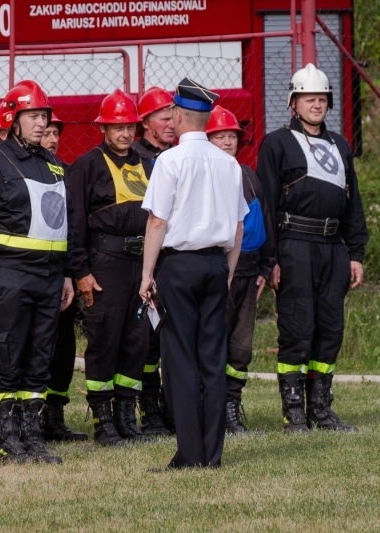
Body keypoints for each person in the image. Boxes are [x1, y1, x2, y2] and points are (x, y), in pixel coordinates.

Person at [0, 79, 74, 464]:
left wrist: (68, 275)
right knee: (5, 356)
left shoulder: (55, 164)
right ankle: (8, 442)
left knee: (39, 359)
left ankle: (32, 438)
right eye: (33, 116)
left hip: (49, 277)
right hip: (7, 274)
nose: (42, 124)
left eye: (44, 116)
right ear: (12, 119)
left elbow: (64, 225)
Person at [140, 78, 248, 469]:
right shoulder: (229, 163)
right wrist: (228, 272)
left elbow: (157, 222)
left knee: (180, 359)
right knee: (212, 360)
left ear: (179, 115)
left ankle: (189, 455)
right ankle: (212, 455)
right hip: (215, 265)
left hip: (179, 266)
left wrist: (146, 274)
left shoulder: (170, 160)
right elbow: (238, 228)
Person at [256, 63, 368, 433]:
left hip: (333, 247)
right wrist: (269, 259)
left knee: (330, 328)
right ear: (294, 103)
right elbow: (267, 203)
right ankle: (295, 414)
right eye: (308, 99)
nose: (316, 105)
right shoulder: (277, 143)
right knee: (297, 328)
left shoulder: (340, 144)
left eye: (322, 99)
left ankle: (322, 410)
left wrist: (355, 253)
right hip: (294, 245)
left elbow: (353, 203)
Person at [67, 89, 152, 446]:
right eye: (117, 126)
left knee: (137, 339)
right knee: (104, 340)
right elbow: (74, 223)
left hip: (140, 262)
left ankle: (126, 415)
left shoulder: (147, 163)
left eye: (129, 125)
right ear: (103, 128)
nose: (124, 132)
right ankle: (102, 418)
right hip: (105, 263)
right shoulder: (88, 165)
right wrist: (81, 270)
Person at [206, 105, 276, 434]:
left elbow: (265, 225)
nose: (227, 142)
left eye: (232, 136)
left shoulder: (248, 175)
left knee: (241, 346)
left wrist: (266, 265)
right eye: (220, 136)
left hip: (249, 273)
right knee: (213, 341)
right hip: (217, 270)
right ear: (207, 140)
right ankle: (211, 409)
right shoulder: (204, 176)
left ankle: (232, 406)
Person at [37, 111, 88, 442]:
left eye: (56, 132)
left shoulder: (65, 174)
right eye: (47, 132)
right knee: (35, 344)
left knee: (64, 346)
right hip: (28, 273)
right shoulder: (15, 171)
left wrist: (71, 271)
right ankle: (31, 415)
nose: (53, 139)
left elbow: (73, 228)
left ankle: (55, 415)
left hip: (60, 274)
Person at [133, 86, 176, 436]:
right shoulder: (135, 158)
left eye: (173, 116)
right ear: (145, 122)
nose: (171, 123)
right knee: (146, 338)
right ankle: (148, 410)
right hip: (146, 257)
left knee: (170, 338)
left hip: (175, 258)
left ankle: (170, 405)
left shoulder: (179, 155)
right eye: (164, 117)